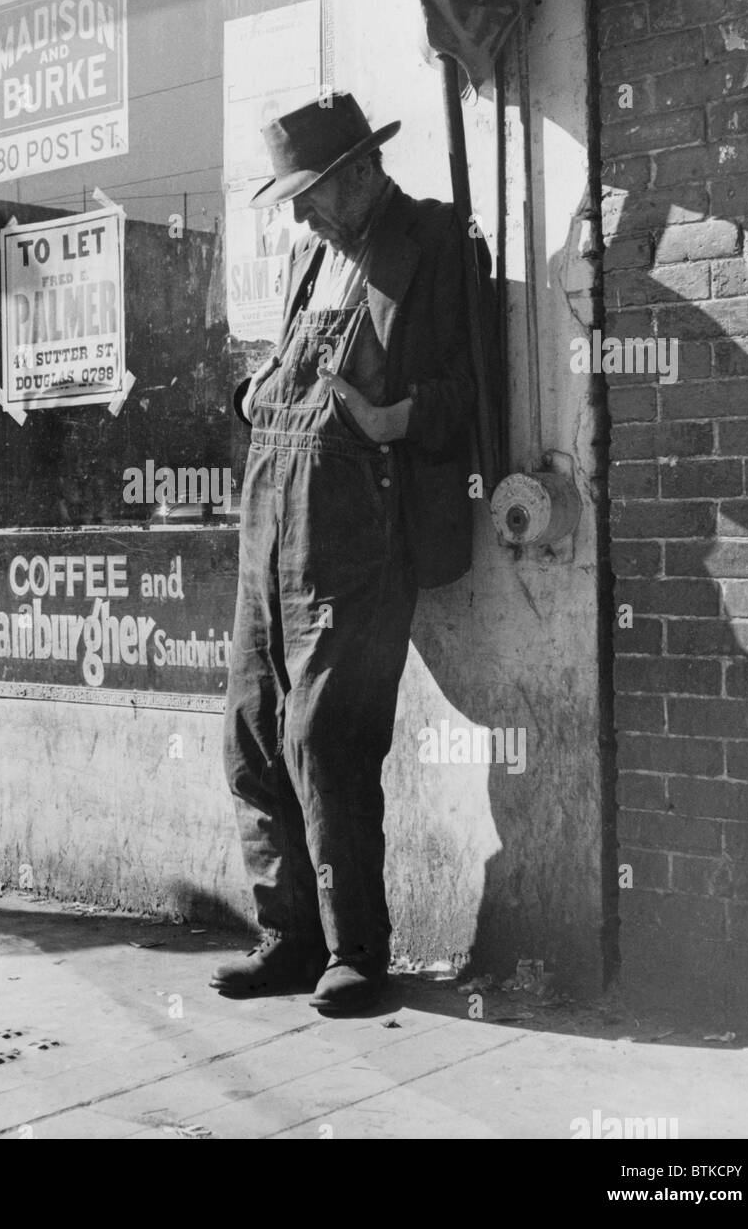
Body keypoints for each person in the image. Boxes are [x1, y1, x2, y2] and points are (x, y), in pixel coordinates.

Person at [213, 91, 479, 1014]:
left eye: (312, 191)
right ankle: (288, 938)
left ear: (362, 170)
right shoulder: (309, 256)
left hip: (360, 534)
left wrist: (390, 417)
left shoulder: (433, 243)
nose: (298, 211)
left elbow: (468, 396)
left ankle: (356, 950)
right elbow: (292, 364)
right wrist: (257, 390)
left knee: (325, 737)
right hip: (268, 526)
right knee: (250, 736)